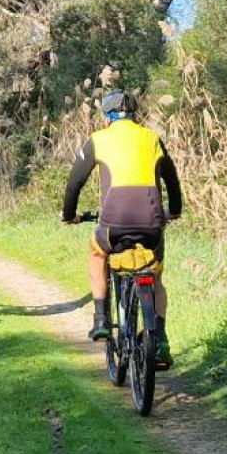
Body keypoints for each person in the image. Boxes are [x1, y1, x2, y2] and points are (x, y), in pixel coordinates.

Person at [59, 88, 183, 366]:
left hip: (113, 225)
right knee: (155, 275)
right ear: (135, 115)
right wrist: (173, 211)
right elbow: (172, 181)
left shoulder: (98, 139)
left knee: (97, 254)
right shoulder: (152, 138)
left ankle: (102, 318)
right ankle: (160, 339)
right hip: (152, 226)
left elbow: (74, 183)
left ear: (107, 117)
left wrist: (69, 215)